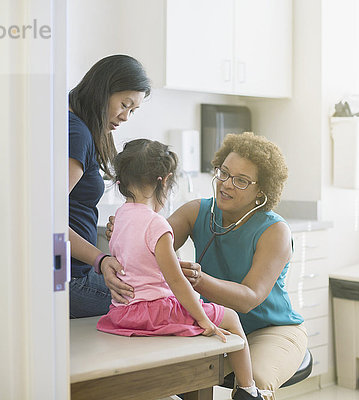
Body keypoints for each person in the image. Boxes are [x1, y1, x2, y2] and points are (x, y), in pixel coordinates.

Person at [105, 132, 308, 400]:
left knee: (255, 381)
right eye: (223, 173)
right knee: (189, 372)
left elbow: (249, 299)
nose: (226, 184)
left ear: (262, 191)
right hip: (212, 321)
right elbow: (151, 243)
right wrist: (120, 241)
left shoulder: (275, 231)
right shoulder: (197, 211)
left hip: (270, 329)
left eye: (241, 180)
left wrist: (200, 281)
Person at [68, 54, 151, 318]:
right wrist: (100, 260)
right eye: (124, 104)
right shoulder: (77, 133)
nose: (125, 117)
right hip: (70, 280)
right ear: (104, 90)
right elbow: (46, 218)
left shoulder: (72, 124)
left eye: (132, 111)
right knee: (165, 298)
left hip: (69, 273)